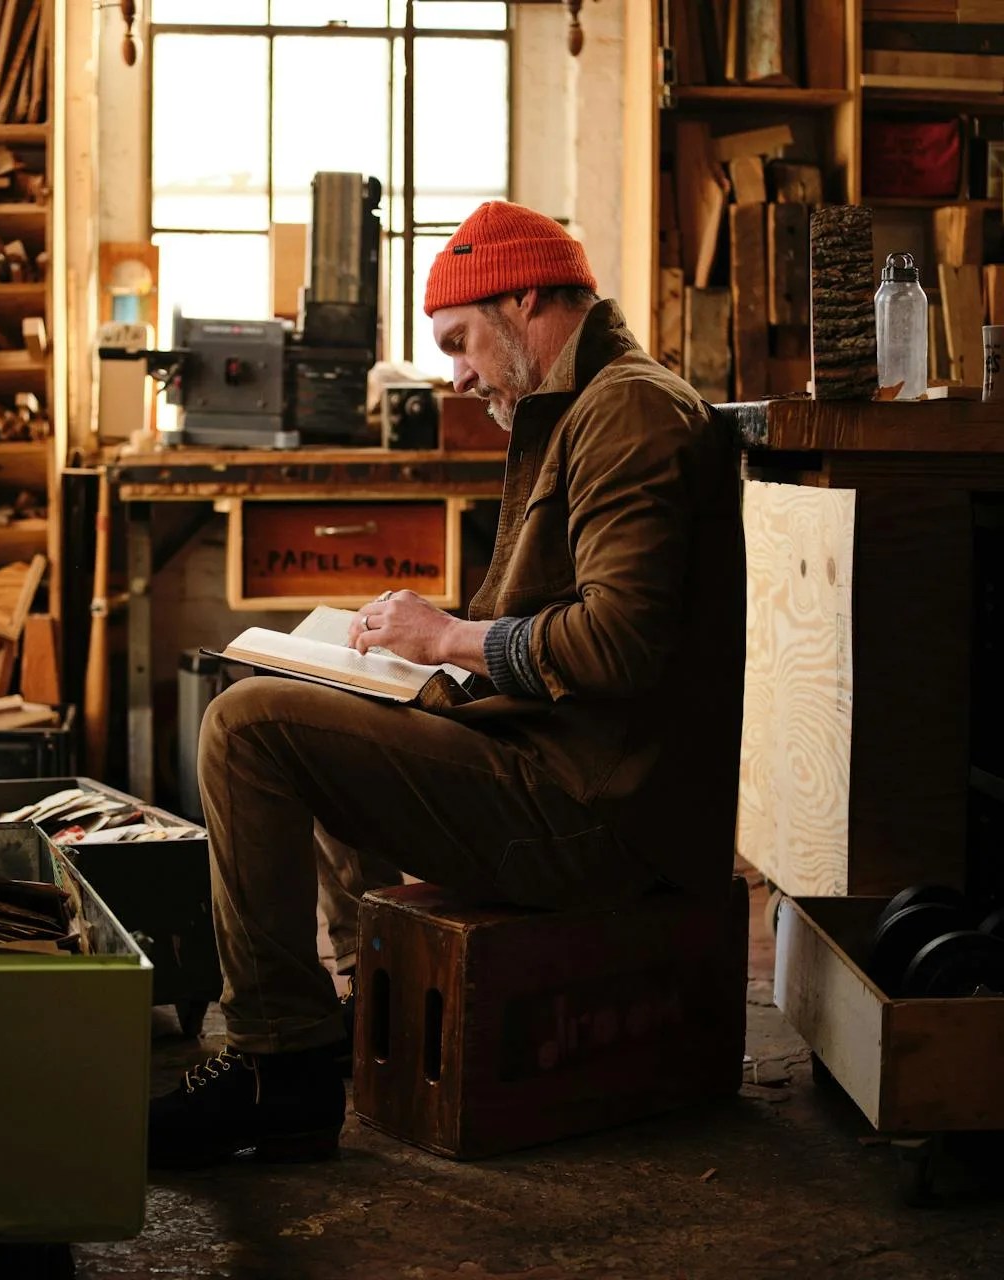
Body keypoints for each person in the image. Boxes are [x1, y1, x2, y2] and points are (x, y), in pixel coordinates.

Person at [148, 200, 746, 1169]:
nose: (457, 374)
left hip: (600, 815)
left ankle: (279, 1064)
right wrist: (420, 651)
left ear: (523, 299)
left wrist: (452, 636)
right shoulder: (571, 407)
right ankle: (345, 1013)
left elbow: (622, 646)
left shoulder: (626, 410)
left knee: (250, 722)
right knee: (310, 693)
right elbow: (565, 627)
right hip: (560, 767)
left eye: (460, 341)